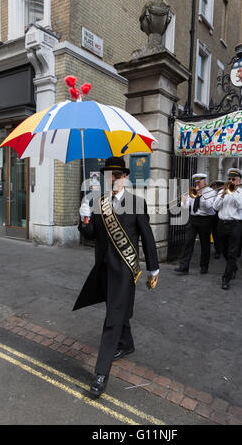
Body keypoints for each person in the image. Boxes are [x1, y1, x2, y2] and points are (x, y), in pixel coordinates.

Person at [73, 156, 159, 398]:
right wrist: (84, 217)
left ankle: (101, 373)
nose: (113, 179)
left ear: (125, 177)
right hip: (104, 269)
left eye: (117, 175)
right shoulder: (100, 203)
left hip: (124, 271)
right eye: (109, 175)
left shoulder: (136, 203)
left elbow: (147, 236)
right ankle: (127, 344)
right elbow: (91, 235)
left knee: (112, 319)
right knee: (117, 310)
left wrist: (154, 267)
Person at [213, 168, 242, 290]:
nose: (230, 181)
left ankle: (226, 279)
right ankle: (233, 267)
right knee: (223, 250)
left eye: (233, 179)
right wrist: (222, 195)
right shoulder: (222, 191)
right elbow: (215, 207)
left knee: (232, 252)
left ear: (239, 181)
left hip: (235, 225)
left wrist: (232, 192)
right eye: (229, 179)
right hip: (222, 224)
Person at [175, 173, 216, 275]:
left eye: (199, 181)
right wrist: (184, 200)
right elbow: (186, 205)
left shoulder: (211, 192)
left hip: (205, 219)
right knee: (188, 242)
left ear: (204, 181)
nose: (197, 184)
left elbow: (208, 206)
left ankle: (204, 266)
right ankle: (184, 266)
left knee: (205, 244)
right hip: (193, 219)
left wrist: (201, 196)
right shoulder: (192, 191)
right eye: (196, 182)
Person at [209, 180, 225, 259]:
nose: (218, 187)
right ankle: (217, 251)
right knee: (215, 234)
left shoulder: (224, 193)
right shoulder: (213, 193)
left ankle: (221, 249)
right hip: (214, 217)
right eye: (217, 186)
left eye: (220, 186)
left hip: (221, 216)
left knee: (220, 235)